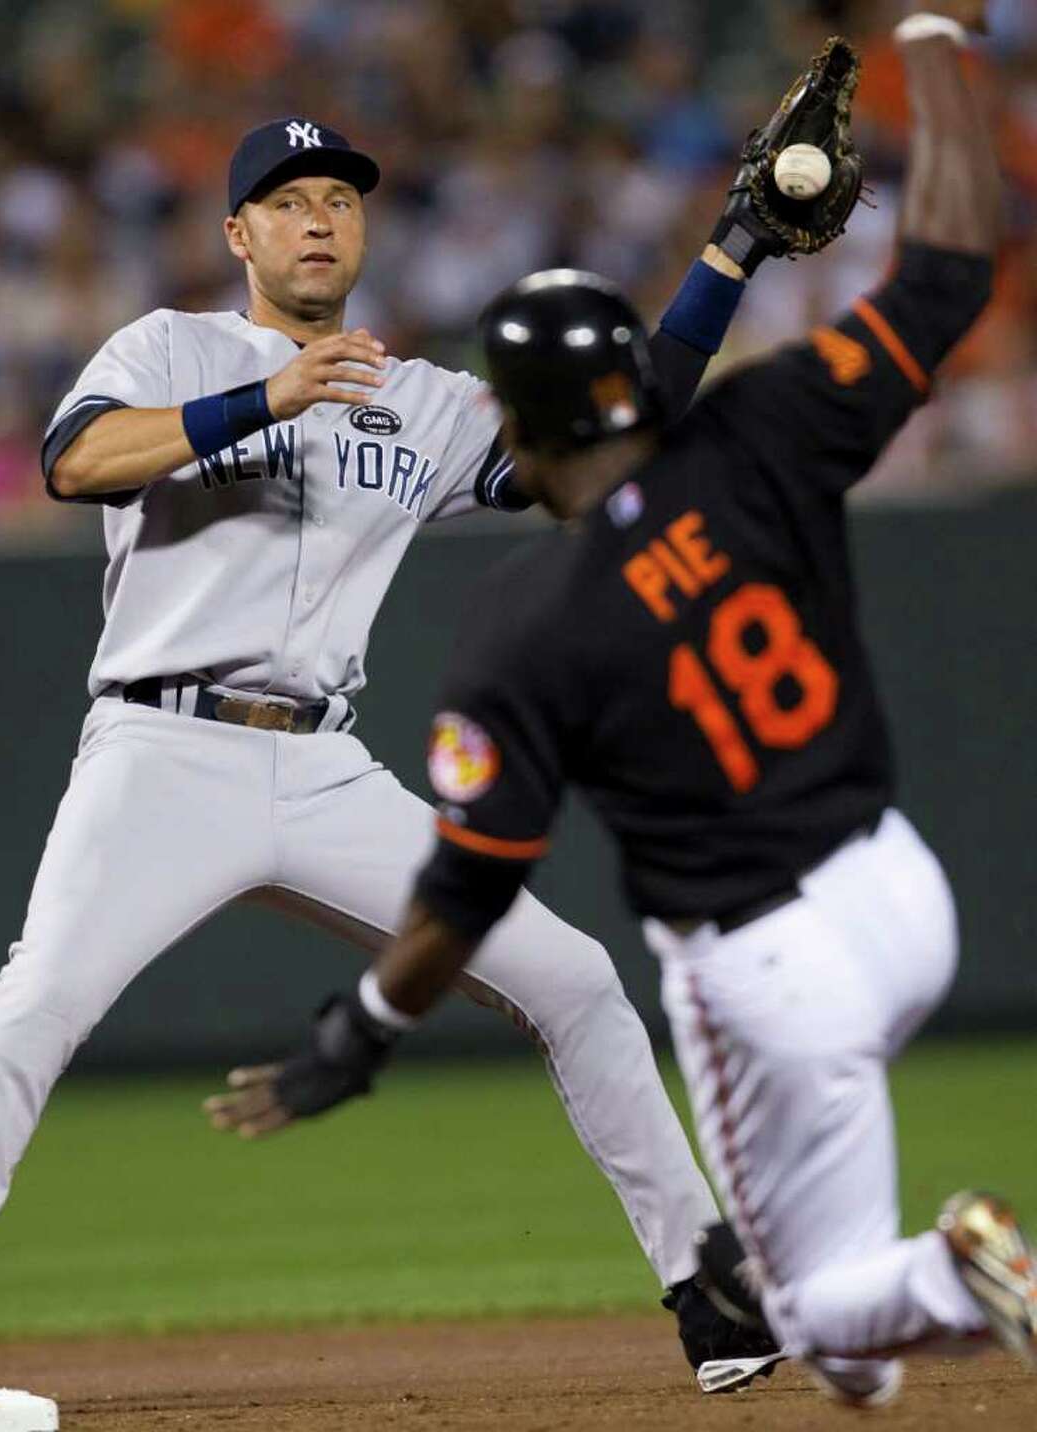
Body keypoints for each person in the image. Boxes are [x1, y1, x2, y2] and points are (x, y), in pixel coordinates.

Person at [0, 72, 849, 1387]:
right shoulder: (170, 349)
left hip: (325, 765)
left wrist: (730, 254)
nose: (319, 218)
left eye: (339, 199)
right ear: (241, 237)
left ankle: (708, 1303)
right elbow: (75, 462)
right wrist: (270, 400)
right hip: (162, 747)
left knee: (574, 982)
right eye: (287, 201)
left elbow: (617, 442)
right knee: (30, 1007)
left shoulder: (424, 401)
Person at [211, 5, 1037, 1407]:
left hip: (771, 973)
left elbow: (469, 890)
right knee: (855, 1349)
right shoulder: (763, 434)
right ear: (639, 386)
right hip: (902, 896)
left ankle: (965, 1273)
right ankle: (910, 1317)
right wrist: (937, 46)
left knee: (804, 1307)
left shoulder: (524, 626)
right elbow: (953, 269)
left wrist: (358, 1033)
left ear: (512, 433)